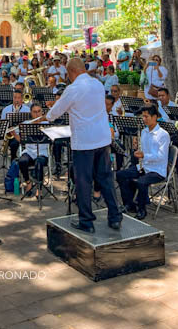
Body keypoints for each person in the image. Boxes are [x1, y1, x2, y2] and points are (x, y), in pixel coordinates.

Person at [45, 57, 122, 232]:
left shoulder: (73, 89)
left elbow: (54, 114)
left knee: (84, 182)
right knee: (106, 179)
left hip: (84, 142)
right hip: (102, 139)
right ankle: (115, 217)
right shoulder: (97, 84)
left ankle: (86, 222)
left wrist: (50, 110)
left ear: (72, 72)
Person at [116, 104, 170, 220]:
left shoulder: (163, 135)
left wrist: (144, 155)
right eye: (143, 117)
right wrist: (137, 150)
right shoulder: (144, 132)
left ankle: (142, 209)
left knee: (141, 182)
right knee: (120, 174)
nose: (144, 119)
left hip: (157, 170)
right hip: (144, 166)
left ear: (155, 117)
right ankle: (129, 204)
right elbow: (142, 152)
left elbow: (161, 156)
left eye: (146, 117)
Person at [15, 103, 49, 196]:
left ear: (42, 112)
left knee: (39, 162)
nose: (37, 114)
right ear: (31, 113)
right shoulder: (26, 124)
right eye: (34, 112)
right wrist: (14, 133)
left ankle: (39, 188)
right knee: (22, 161)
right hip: (29, 152)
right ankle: (28, 182)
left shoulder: (47, 124)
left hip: (42, 152)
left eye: (39, 112)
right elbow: (21, 140)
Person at [0, 85, 30, 161]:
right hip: (10, 134)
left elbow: (29, 124)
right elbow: (2, 124)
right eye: (15, 97)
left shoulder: (27, 110)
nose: (16, 100)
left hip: (23, 133)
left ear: (22, 99)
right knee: (13, 144)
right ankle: (13, 159)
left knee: (16, 143)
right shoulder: (6, 109)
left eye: (19, 98)